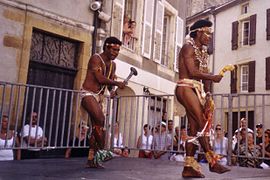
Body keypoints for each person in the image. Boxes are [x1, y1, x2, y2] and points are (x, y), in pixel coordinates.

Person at [174, 19, 230, 178]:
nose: (210, 37)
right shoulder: (188, 48)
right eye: (208, 33)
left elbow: (203, 74)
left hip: (197, 90)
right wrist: (212, 77)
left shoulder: (203, 52)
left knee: (193, 130)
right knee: (202, 123)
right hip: (185, 88)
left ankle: (188, 167)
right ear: (199, 32)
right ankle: (212, 161)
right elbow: (192, 71)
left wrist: (208, 94)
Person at [81, 36, 126, 168]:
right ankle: (102, 151)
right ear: (106, 47)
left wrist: (113, 90)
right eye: (113, 50)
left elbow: (109, 83)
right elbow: (100, 78)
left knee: (97, 127)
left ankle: (92, 159)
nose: (115, 53)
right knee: (100, 119)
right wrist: (116, 82)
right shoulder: (95, 58)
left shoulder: (113, 65)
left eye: (118, 50)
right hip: (87, 93)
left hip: (100, 97)